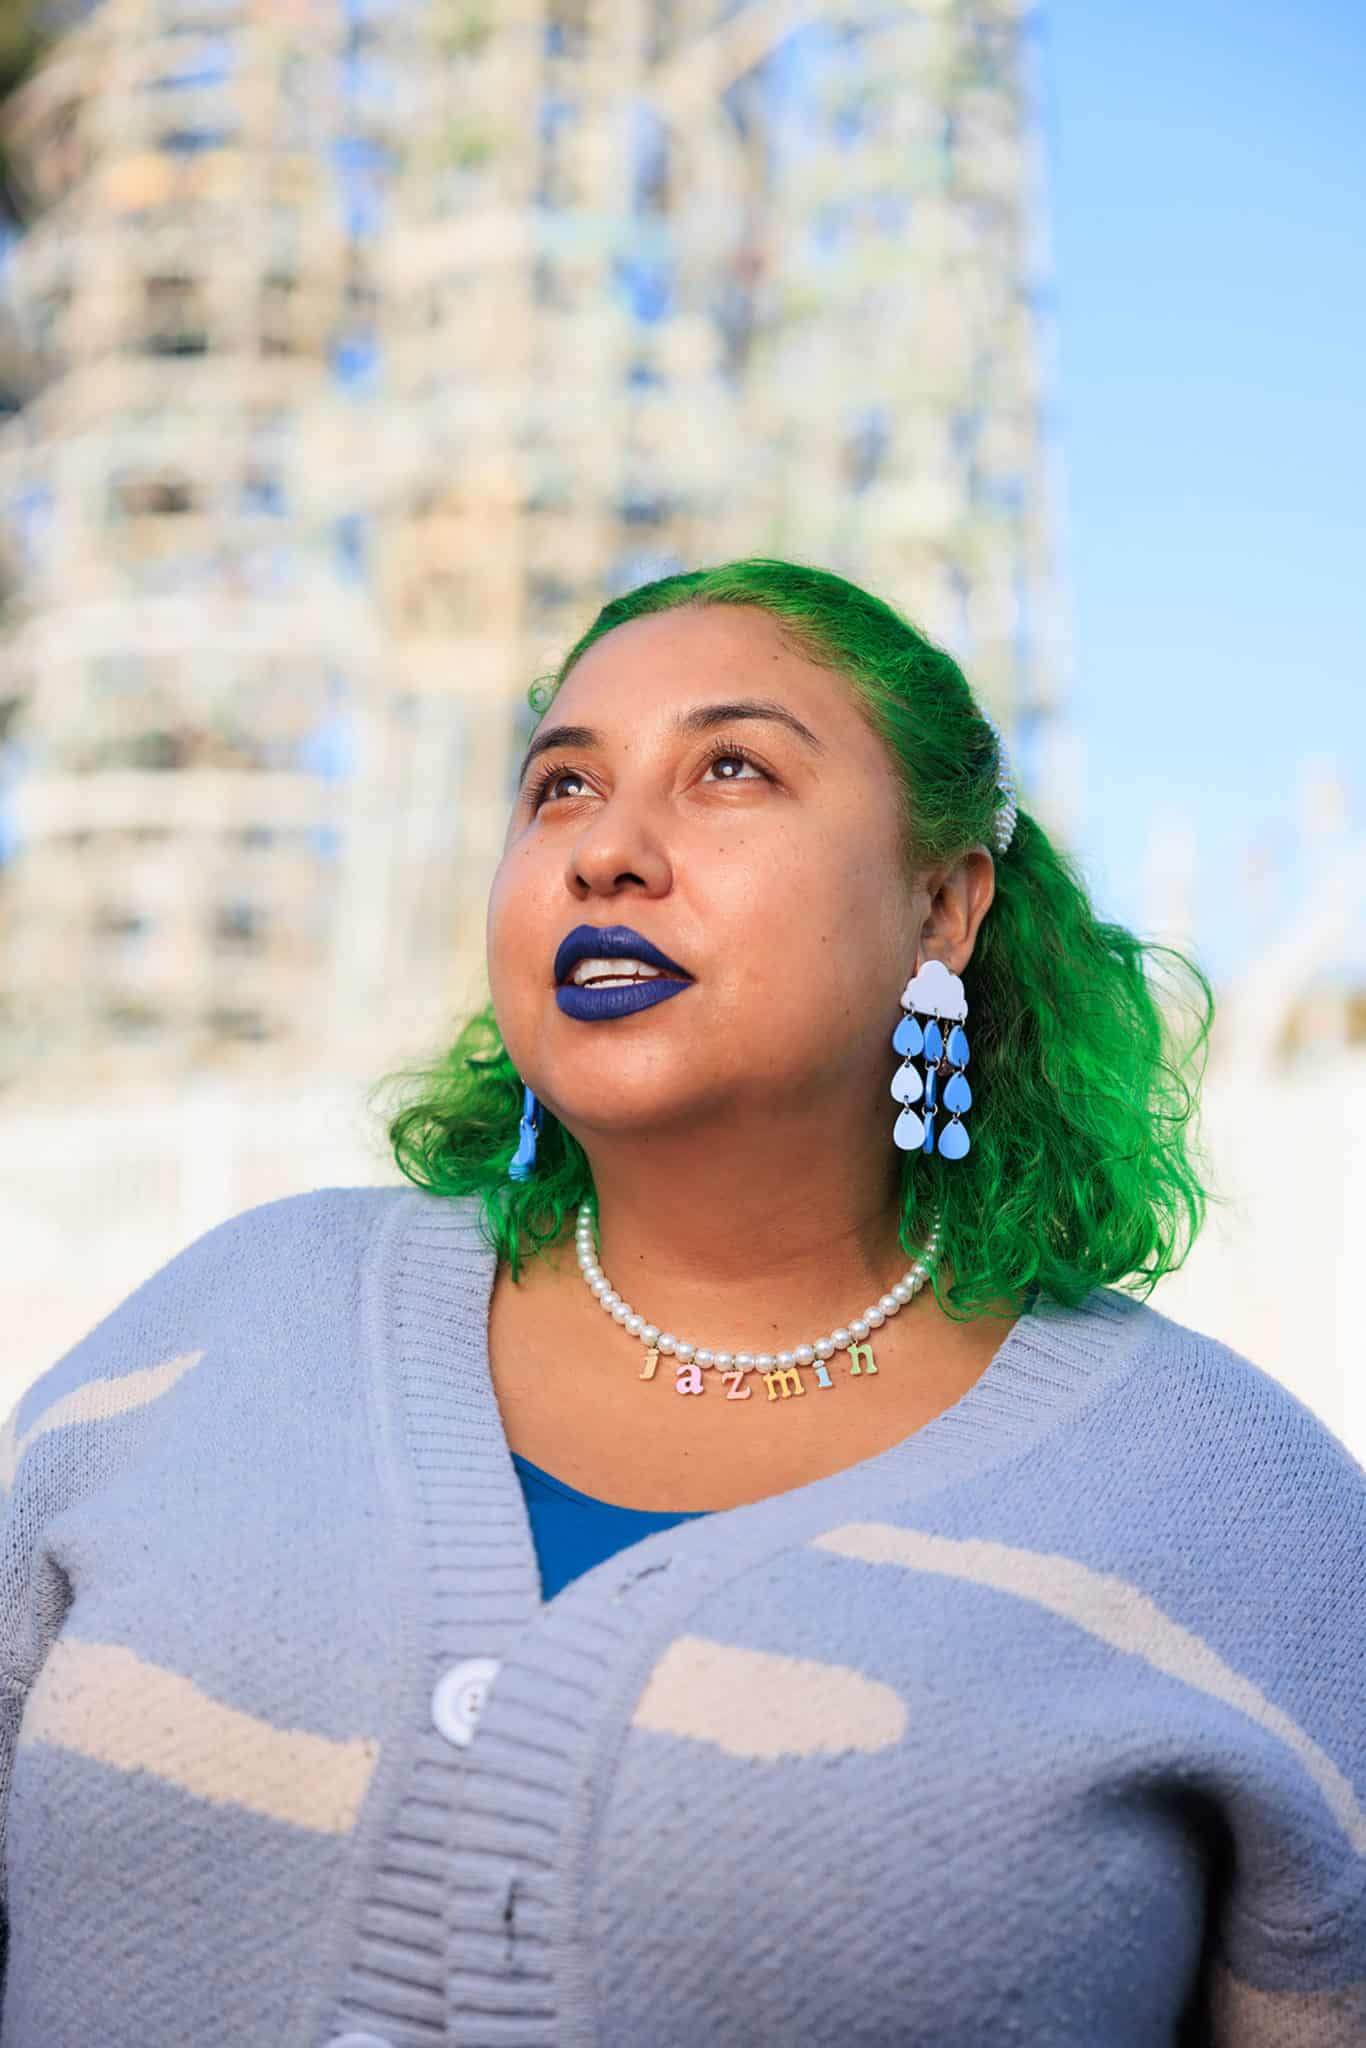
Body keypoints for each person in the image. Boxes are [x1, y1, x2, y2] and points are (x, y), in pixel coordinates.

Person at [1, 557, 1362, 2047]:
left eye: (730, 769)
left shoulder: (1243, 1515)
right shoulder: (219, 1329)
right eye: (560, 788)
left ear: (943, 904)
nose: (608, 854)